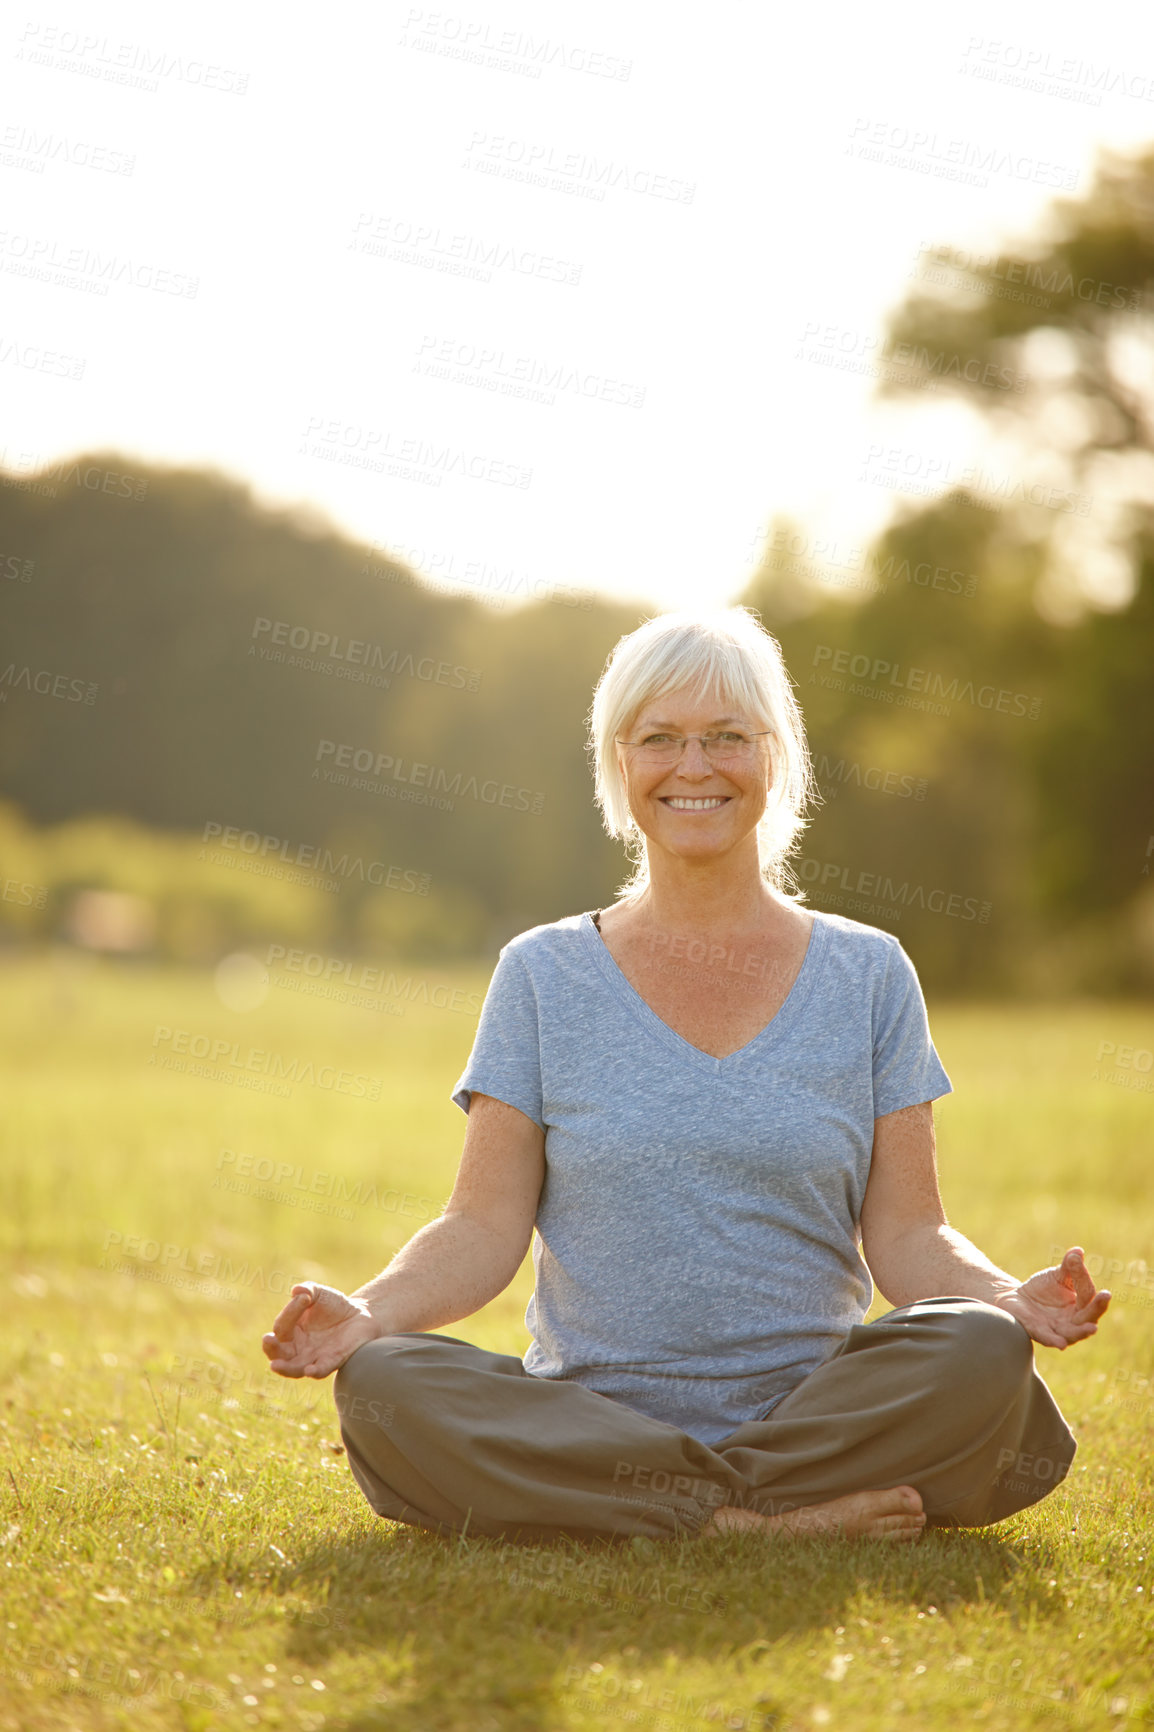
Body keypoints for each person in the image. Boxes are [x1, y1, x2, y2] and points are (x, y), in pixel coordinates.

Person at [262, 606, 1109, 1545]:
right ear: (619, 765)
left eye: (726, 738)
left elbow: (910, 1232)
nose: (694, 767)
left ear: (774, 757)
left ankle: (660, 1511)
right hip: (595, 1423)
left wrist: (1004, 1299)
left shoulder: (869, 974)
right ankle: (756, 1522)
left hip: (818, 1416)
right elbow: (482, 1224)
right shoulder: (542, 973)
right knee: (385, 1382)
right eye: (660, 738)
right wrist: (369, 1313)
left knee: (979, 1347)